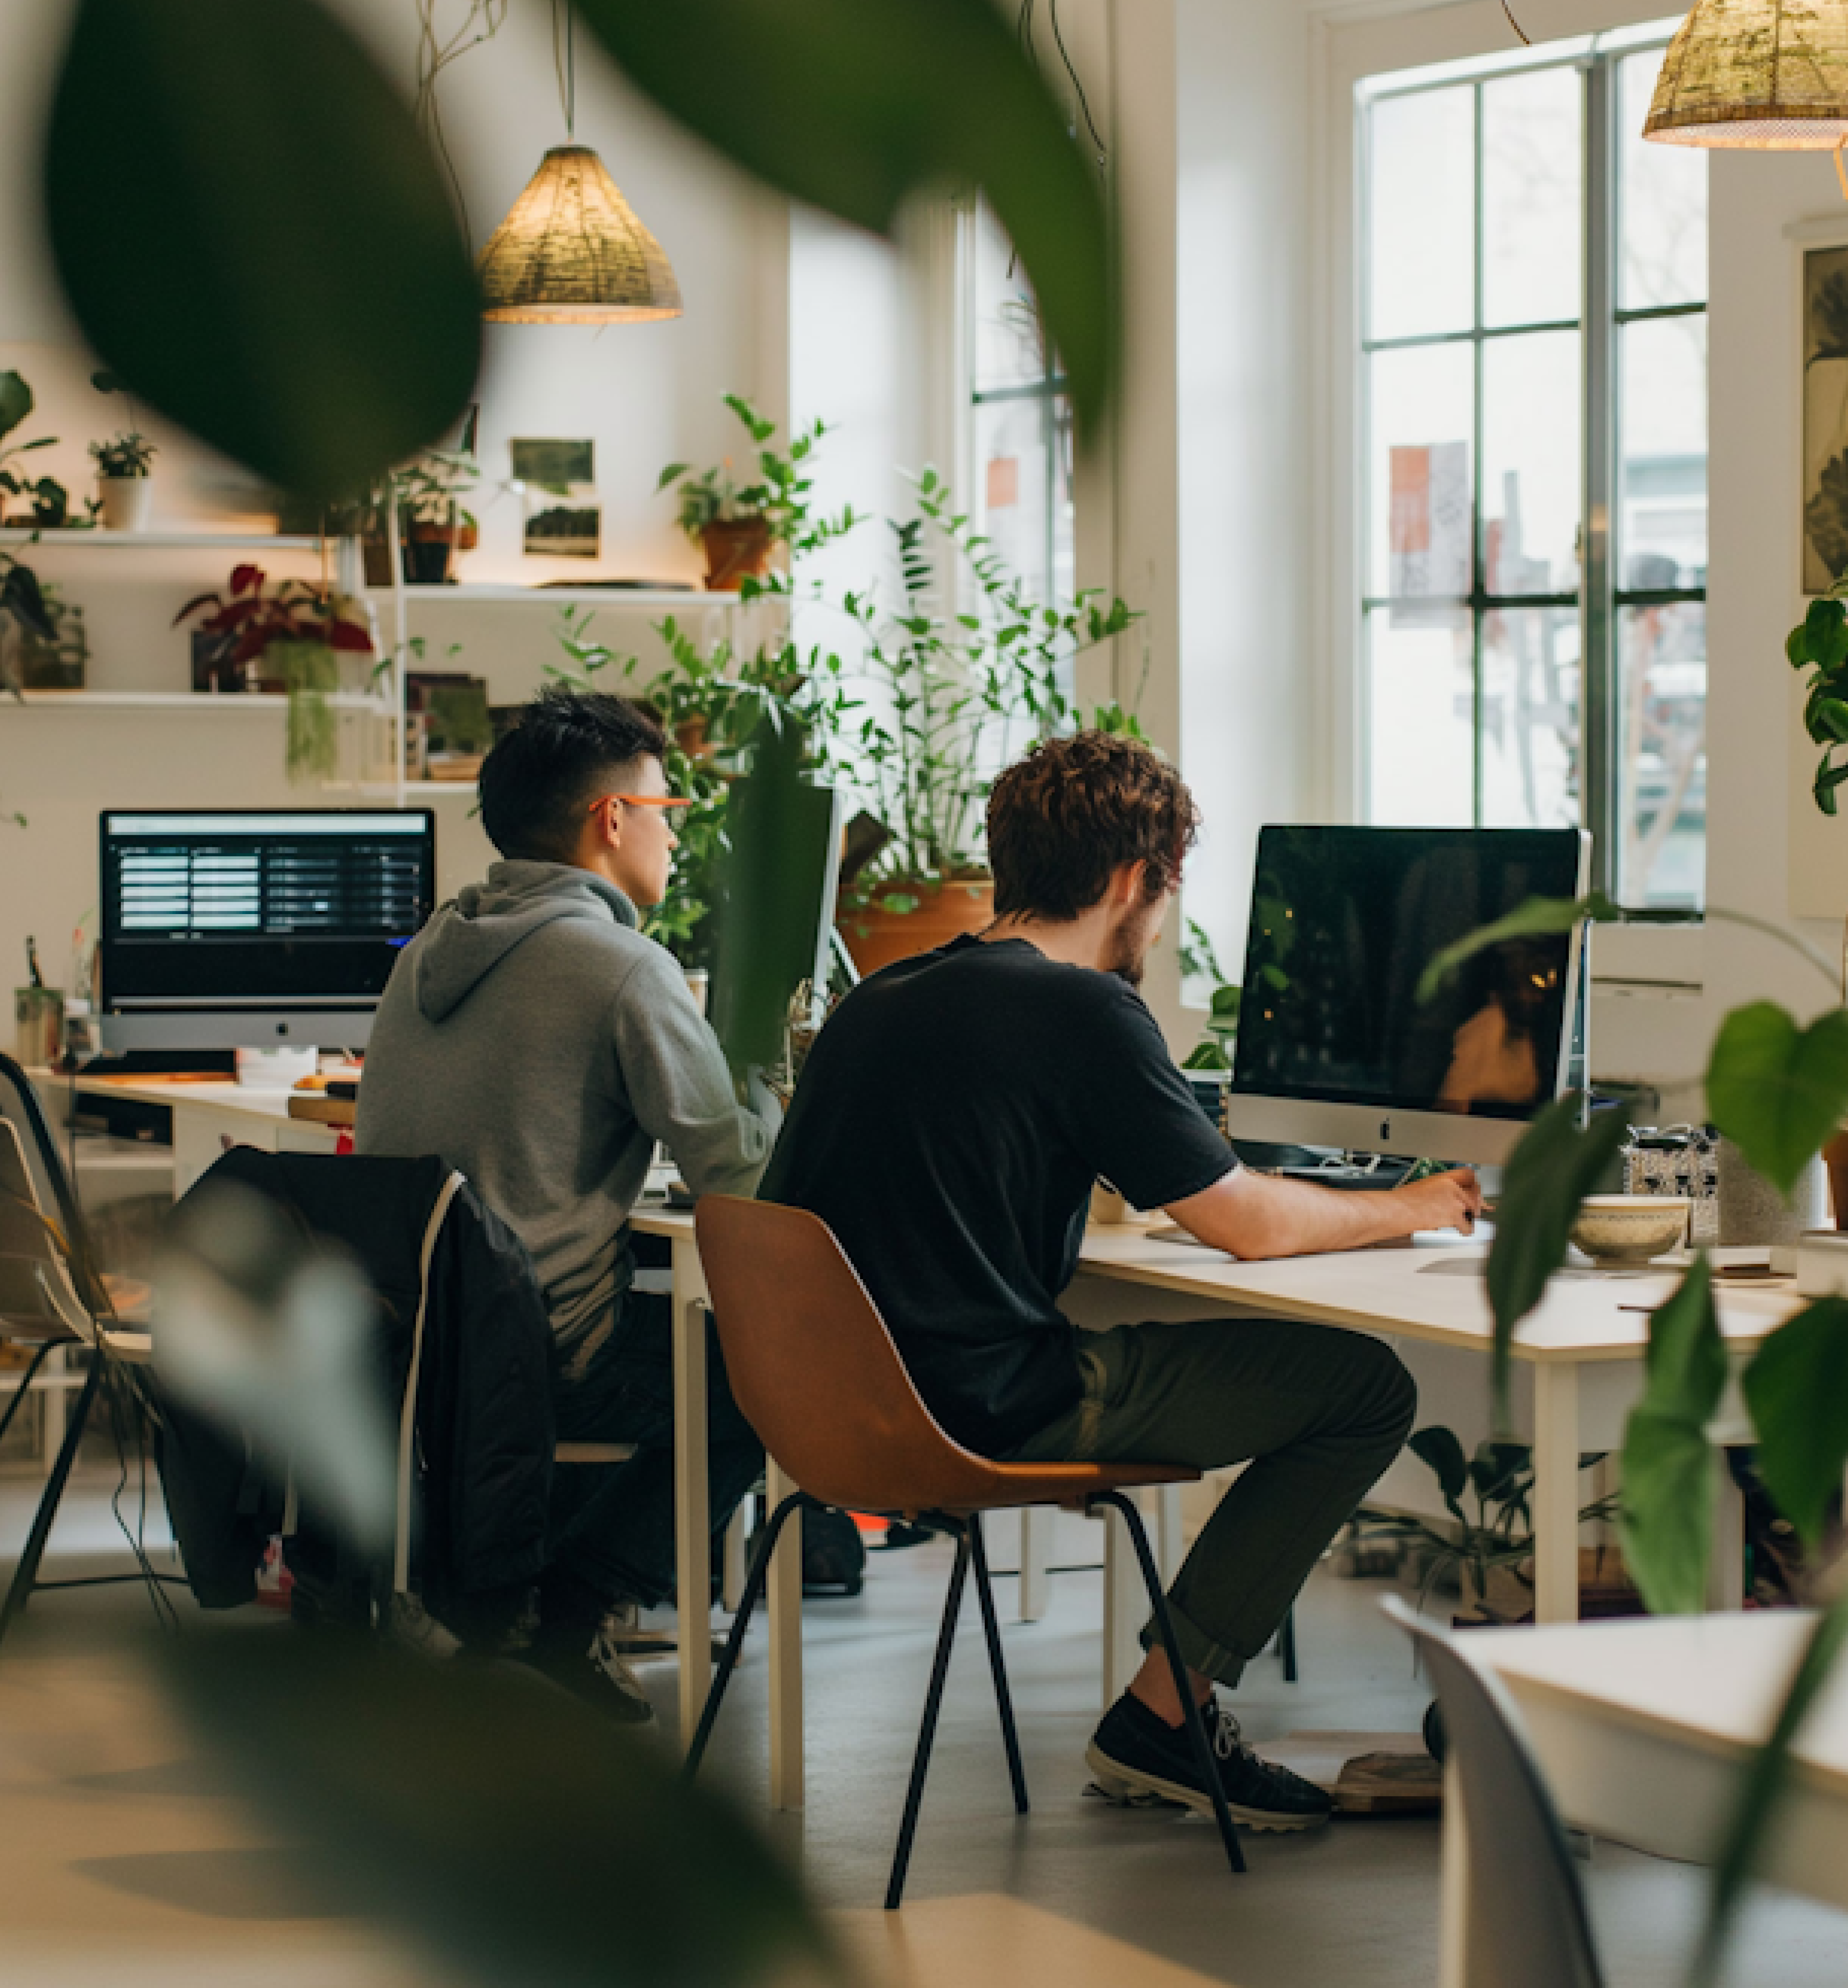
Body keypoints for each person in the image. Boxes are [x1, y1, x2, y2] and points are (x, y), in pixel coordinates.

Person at [761, 731, 1481, 1830]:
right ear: (1130, 880)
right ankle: (1164, 1712)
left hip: (834, 1416)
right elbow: (1241, 1223)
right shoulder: (1084, 1010)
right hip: (984, 1404)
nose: (1159, 919)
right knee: (1366, 1386)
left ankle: (1162, 1712)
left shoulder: (884, 996)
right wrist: (1413, 1205)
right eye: (1165, 890)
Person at [358, 688, 776, 1721]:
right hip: (540, 1350)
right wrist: (769, 1072)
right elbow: (739, 1176)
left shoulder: (425, 954)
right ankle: (567, 1605)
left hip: (420, 1343)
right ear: (611, 818)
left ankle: (522, 1592)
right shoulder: (623, 967)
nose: (675, 832)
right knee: (769, 1382)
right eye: (665, 807)